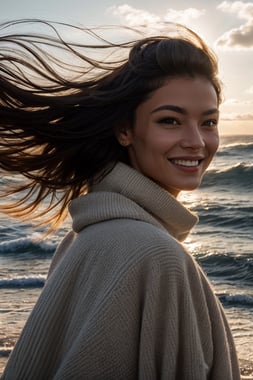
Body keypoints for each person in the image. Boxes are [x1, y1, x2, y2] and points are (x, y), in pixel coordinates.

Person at [0, 20, 240, 379]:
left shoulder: (86, 237)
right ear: (125, 130)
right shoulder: (153, 254)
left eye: (208, 122)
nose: (197, 141)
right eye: (171, 121)